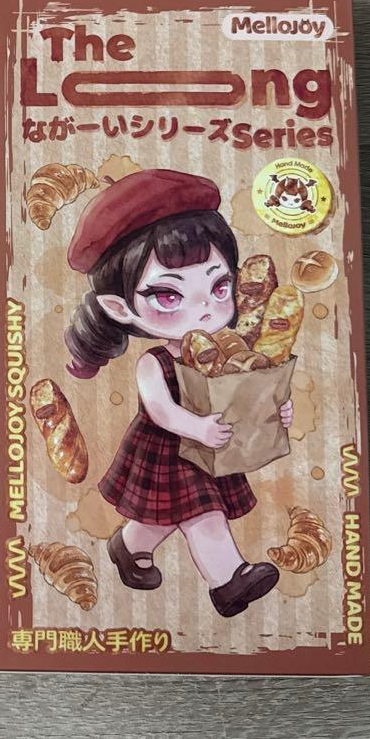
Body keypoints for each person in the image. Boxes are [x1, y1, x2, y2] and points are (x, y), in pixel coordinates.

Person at [64, 169, 293, 618]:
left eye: (219, 286)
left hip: (208, 447)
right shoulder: (154, 362)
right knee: (201, 511)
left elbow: (242, 393)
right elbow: (160, 410)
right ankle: (229, 580)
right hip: (168, 450)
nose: (205, 309)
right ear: (119, 307)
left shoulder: (231, 353)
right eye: (169, 296)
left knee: (161, 516)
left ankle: (129, 545)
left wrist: (273, 409)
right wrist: (196, 427)